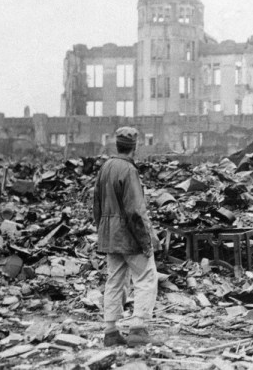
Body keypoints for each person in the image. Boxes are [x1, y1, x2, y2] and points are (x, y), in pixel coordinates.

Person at [93, 126, 158, 347]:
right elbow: (135, 211)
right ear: (135, 147)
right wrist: (146, 241)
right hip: (129, 236)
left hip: (110, 236)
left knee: (115, 280)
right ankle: (138, 328)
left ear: (117, 145)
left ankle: (110, 331)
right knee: (146, 277)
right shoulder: (129, 170)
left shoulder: (105, 168)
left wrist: (103, 231)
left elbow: (96, 206)